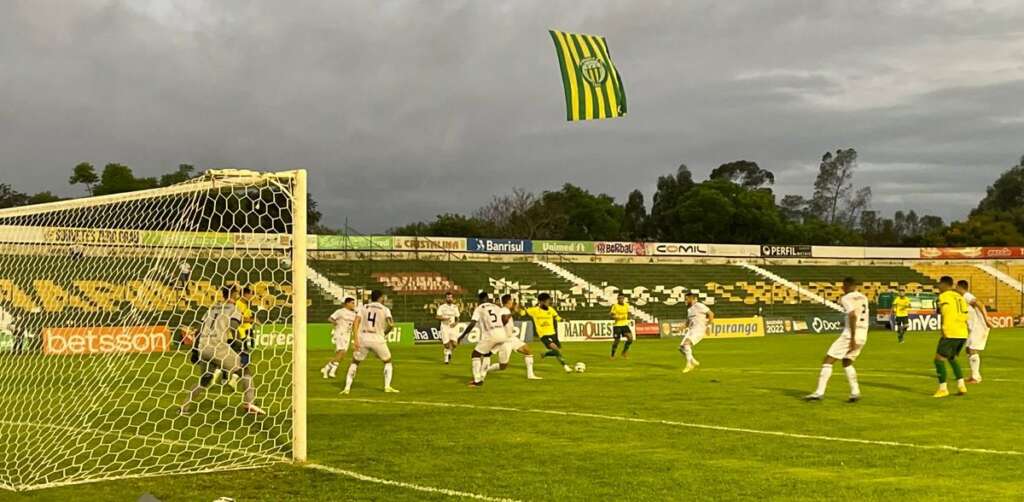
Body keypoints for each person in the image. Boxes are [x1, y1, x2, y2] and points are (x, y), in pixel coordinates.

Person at [181, 286, 264, 415]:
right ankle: (250, 404)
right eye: (237, 293)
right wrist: (239, 344)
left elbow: (199, 329)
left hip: (204, 346)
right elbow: (234, 326)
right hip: (218, 346)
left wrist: (195, 350)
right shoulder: (233, 308)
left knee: (204, 380)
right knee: (245, 371)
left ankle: (184, 407)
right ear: (234, 294)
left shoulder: (212, 308)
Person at [805, 277, 869, 402]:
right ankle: (855, 392)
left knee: (828, 360)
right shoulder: (863, 297)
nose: (842, 288)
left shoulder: (846, 298)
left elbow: (852, 316)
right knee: (847, 361)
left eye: (843, 286)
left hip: (851, 334)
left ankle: (819, 392)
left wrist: (852, 338)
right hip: (863, 334)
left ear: (847, 286)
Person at [341, 290, 399, 394]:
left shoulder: (364, 307)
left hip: (363, 338)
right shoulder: (385, 309)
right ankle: (387, 387)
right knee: (387, 361)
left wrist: (356, 338)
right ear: (380, 298)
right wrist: (384, 333)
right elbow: (391, 324)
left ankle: (347, 388)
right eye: (383, 297)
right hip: (378, 338)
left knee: (355, 362)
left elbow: (356, 322)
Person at [486, 294, 541, 380]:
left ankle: (530, 375)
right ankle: (486, 369)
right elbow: (503, 320)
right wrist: (513, 312)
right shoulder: (503, 310)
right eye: (511, 300)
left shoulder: (506, 310)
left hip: (511, 337)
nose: (513, 302)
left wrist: (515, 311)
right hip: (505, 340)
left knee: (527, 351)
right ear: (508, 301)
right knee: (503, 366)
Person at [932, 277, 969, 398]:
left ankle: (943, 389)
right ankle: (961, 385)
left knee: (938, 359)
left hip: (951, 331)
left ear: (944, 284)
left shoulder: (944, 296)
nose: (938, 287)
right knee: (951, 358)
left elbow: (944, 313)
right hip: (962, 332)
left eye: (939, 284)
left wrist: (943, 328)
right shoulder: (959, 297)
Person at [465, 292, 509, 387]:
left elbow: (472, 323)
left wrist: (462, 335)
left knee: (475, 354)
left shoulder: (479, 308)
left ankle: (477, 380)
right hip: (502, 334)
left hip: (491, 335)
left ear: (479, 299)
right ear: (488, 298)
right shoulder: (496, 307)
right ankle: (482, 376)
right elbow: (505, 319)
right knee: (487, 354)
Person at [523, 293, 572, 373]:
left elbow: (557, 317)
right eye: (547, 301)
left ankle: (545, 354)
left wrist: (564, 320)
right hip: (544, 335)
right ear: (541, 302)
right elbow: (523, 313)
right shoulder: (534, 310)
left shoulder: (551, 309)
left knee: (557, 351)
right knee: (556, 349)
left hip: (553, 333)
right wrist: (521, 309)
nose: (549, 302)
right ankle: (566, 366)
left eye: (549, 300)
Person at [956, 280, 991, 384]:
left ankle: (976, 377)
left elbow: (979, 304)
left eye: (957, 287)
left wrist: (986, 320)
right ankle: (974, 375)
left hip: (979, 326)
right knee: (968, 349)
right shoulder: (963, 297)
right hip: (974, 327)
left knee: (972, 349)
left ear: (960, 287)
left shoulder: (967, 296)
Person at [322, 297, 357, 378]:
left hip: (347, 334)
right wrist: (336, 323)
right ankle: (328, 369)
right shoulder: (340, 312)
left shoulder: (354, 314)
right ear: (347, 303)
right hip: (340, 333)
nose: (353, 305)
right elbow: (330, 318)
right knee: (341, 352)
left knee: (342, 354)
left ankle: (330, 369)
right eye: (352, 303)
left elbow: (354, 325)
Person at [680, 292, 713, 373]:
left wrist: (708, 326)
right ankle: (693, 360)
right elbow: (688, 323)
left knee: (686, 344)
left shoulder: (699, 305)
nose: (685, 301)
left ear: (691, 299)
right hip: (691, 330)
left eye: (686, 299)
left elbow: (711, 314)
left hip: (699, 329)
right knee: (681, 348)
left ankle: (689, 365)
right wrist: (681, 327)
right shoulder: (689, 310)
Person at [436, 292, 461, 364]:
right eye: (448, 297)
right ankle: (446, 357)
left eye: (450, 297)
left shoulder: (455, 307)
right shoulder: (442, 307)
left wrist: (455, 323)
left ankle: (449, 352)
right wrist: (444, 319)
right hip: (445, 327)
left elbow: (458, 318)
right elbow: (437, 316)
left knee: (454, 344)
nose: (449, 299)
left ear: (452, 298)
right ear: (445, 298)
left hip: (453, 327)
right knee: (446, 345)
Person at [609, 293, 634, 359]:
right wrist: (617, 317)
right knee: (617, 341)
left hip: (625, 325)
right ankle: (612, 354)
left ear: (623, 299)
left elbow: (628, 313)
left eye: (622, 298)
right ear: (617, 299)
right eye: (619, 298)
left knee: (630, 338)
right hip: (617, 325)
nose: (621, 299)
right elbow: (611, 315)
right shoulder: (615, 306)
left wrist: (629, 316)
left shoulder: (626, 305)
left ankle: (624, 352)